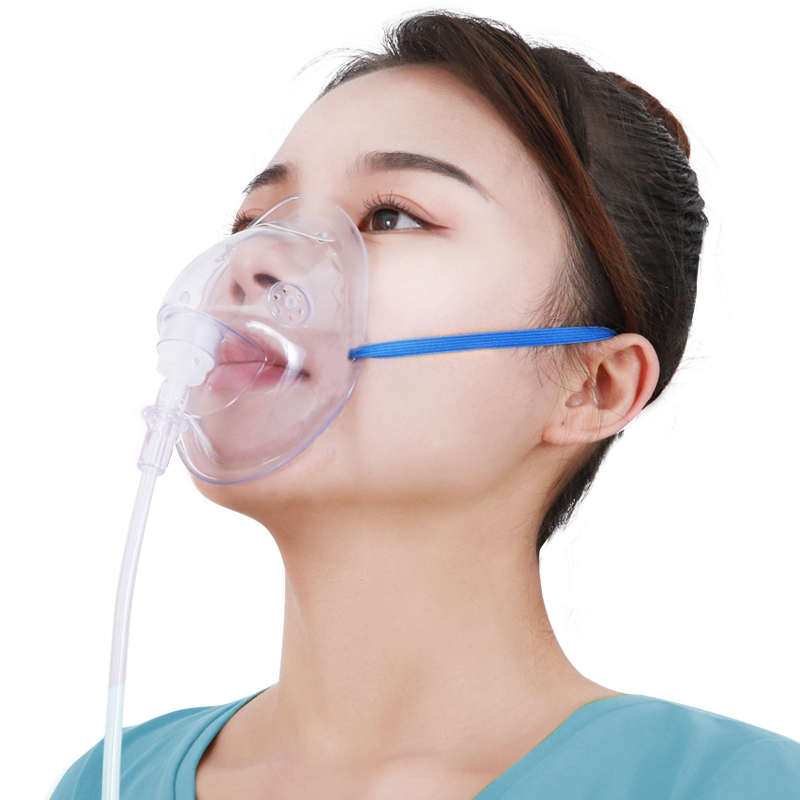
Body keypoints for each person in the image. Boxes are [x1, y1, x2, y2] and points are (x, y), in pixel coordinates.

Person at [43, 3, 800, 799]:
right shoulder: (102, 781)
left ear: (594, 386)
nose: (256, 258)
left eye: (390, 216)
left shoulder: (735, 786)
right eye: (256, 219)